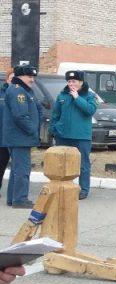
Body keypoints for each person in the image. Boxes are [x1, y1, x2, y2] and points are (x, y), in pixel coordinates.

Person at [49, 69, 97, 200]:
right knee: (61, 163)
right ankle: (62, 188)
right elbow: (55, 114)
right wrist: (53, 129)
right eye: (69, 81)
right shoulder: (62, 95)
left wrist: (77, 97)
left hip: (81, 136)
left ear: (81, 82)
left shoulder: (89, 95)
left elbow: (90, 110)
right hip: (63, 135)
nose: (71, 84)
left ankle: (83, 189)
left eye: (74, 81)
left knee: (83, 164)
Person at [3, 63, 43, 209]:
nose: (32, 79)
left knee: (16, 169)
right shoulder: (18, 91)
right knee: (22, 169)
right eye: (29, 76)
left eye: (33, 76)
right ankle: (20, 199)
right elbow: (20, 116)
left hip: (18, 137)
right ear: (20, 76)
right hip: (20, 137)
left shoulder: (22, 90)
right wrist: (32, 130)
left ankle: (13, 198)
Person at [0, 70, 13, 198]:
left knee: (17, 167)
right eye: (11, 78)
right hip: (2, 136)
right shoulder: (1, 94)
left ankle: (14, 192)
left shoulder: (22, 94)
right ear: (7, 80)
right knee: (1, 163)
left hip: (15, 136)